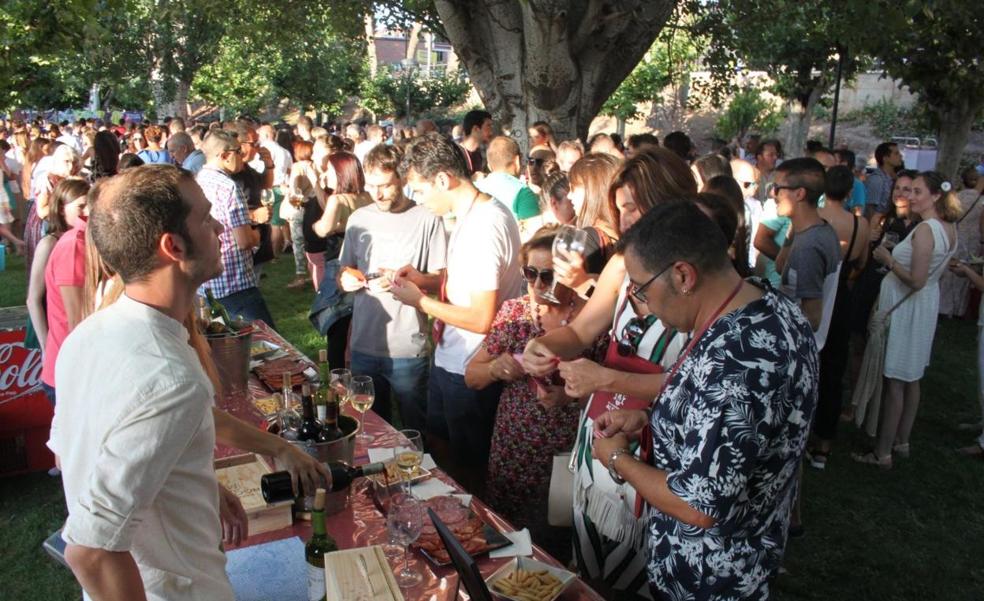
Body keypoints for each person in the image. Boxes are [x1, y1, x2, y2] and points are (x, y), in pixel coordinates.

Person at [591, 201, 817, 600]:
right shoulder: (764, 304)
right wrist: (650, 418)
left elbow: (697, 504)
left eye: (642, 288)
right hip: (740, 560)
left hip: (709, 578)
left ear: (682, 275)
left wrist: (616, 458)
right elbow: (727, 424)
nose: (644, 302)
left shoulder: (738, 362)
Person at [48, 165, 238, 600]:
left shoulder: (88, 335)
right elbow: (89, 549)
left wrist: (197, 486)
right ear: (173, 246)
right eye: (206, 218)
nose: (219, 227)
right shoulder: (172, 381)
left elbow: (83, 451)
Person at [523, 155, 690, 600]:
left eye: (634, 206)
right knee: (591, 560)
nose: (626, 218)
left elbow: (691, 381)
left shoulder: (695, 277)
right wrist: (542, 346)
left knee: (641, 575)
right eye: (621, 208)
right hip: (600, 429)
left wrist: (605, 379)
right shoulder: (621, 263)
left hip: (658, 444)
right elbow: (581, 331)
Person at [390, 132, 523, 495]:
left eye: (418, 191)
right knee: (443, 456)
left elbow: (482, 317)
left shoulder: (485, 224)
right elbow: (470, 282)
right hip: (453, 359)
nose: (417, 201)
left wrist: (419, 300)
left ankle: (473, 539)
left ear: (443, 180)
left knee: (468, 475)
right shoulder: (472, 214)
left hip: (474, 366)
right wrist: (428, 281)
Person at [465, 226, 604, 560]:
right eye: (530, 274)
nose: (539, 286)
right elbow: (472, 376)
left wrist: (569, 397)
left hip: (565, 454)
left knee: (554, 541)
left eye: (548, 275)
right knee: (504, 538)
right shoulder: (514, 314)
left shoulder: (594, 318)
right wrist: (495, 368)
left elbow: (610, 391)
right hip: (513, 449)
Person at [854, 171, 960, 468]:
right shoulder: (948, 227)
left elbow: (916, 280)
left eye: (917, 191)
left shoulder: (927, 229)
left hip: (909, 307)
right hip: (923, 305)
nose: (910, 196)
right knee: (912, 378)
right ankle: (902, 441)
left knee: (897, 381)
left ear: (936, 196)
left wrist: (888, 261)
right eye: (909, 190)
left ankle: (883, 451)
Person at [338, 144, 446, 429]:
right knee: (369, 429)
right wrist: (346, 279)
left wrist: (409, 279)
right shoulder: (358, 220)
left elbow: (441, 281)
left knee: (417, 429)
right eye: (372, 186)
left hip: (408, 348)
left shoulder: (427, 218)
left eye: (385, 185)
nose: (378, 194)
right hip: (364, 345)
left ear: (402, 179)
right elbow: (343, 269)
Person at [808, 165, 869, 468]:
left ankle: (803, 433)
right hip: (842, 296)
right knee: (834, 370)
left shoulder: (814, 222)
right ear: (848, 192)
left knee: (809, 367)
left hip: (814, 293)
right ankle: (824, 445)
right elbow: (861, 263)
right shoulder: (859, 225)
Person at [196, 130, 276, 327]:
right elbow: (245, 241)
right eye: (238, 151)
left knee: (224, 346)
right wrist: (259, 231)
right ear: (224, 155)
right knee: (269, 346)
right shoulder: (228, 187)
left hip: (207, 283)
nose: (242, 156)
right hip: (236, 285)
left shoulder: (198, 180)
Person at [773, 158, 842, 344]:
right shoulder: (819, 229)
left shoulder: (809, 246)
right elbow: (781, 268)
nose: (773, 194)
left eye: (777, 188)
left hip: (795, 346)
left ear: (799, 194)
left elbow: (812, 319)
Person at [27, 179, 89, 370]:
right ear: (62, 209)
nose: (87, 211)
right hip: (59, 338)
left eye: (89, 205)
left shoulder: (87, 240)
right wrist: (46, 346)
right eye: (81, 206)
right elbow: (33, 299)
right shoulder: (49, 244)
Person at [938, 176, 984, 318]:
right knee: (963, 277)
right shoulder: (980, 201)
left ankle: (944, 308)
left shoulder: (957, 197)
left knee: (950, 275)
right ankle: (957, 310)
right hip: (972, 242)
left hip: (955, 238)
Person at [569, 153, 621, 276]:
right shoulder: (629, 233)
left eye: (573, 188)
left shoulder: (588, 237)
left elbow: (574, 293)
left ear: (591, 190)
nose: (569, 196)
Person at [476, 136, 542, 223]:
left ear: (489, 166)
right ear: (517, 161)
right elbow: (535, 233)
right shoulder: (523, 193)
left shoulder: (474, 188)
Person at [257, 124, 292, 259]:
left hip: (269, 187)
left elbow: (258, 169)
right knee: (279, 220)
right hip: (282, 186)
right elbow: (290, 170)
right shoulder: (285, 151)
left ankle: (274, 253)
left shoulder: (263, 150)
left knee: (274, 223)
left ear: (266, 135)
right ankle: (281, 246)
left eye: (260, 135)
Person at [864, 141, 904, 222]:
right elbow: (870, 208)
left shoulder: (896, 177)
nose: (900, 156)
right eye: (896, 153)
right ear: (885, 158)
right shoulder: (877, 180)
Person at [459, 110, 493, 176]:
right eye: (488, 125)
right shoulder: (456, 153)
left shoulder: (482, 152)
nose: (491, 130)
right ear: (476, 129)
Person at [834, 148, 867, 215]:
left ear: (844, 164)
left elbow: (858, 215)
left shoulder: (857, 185)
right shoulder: (829, 181)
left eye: (834, 161)